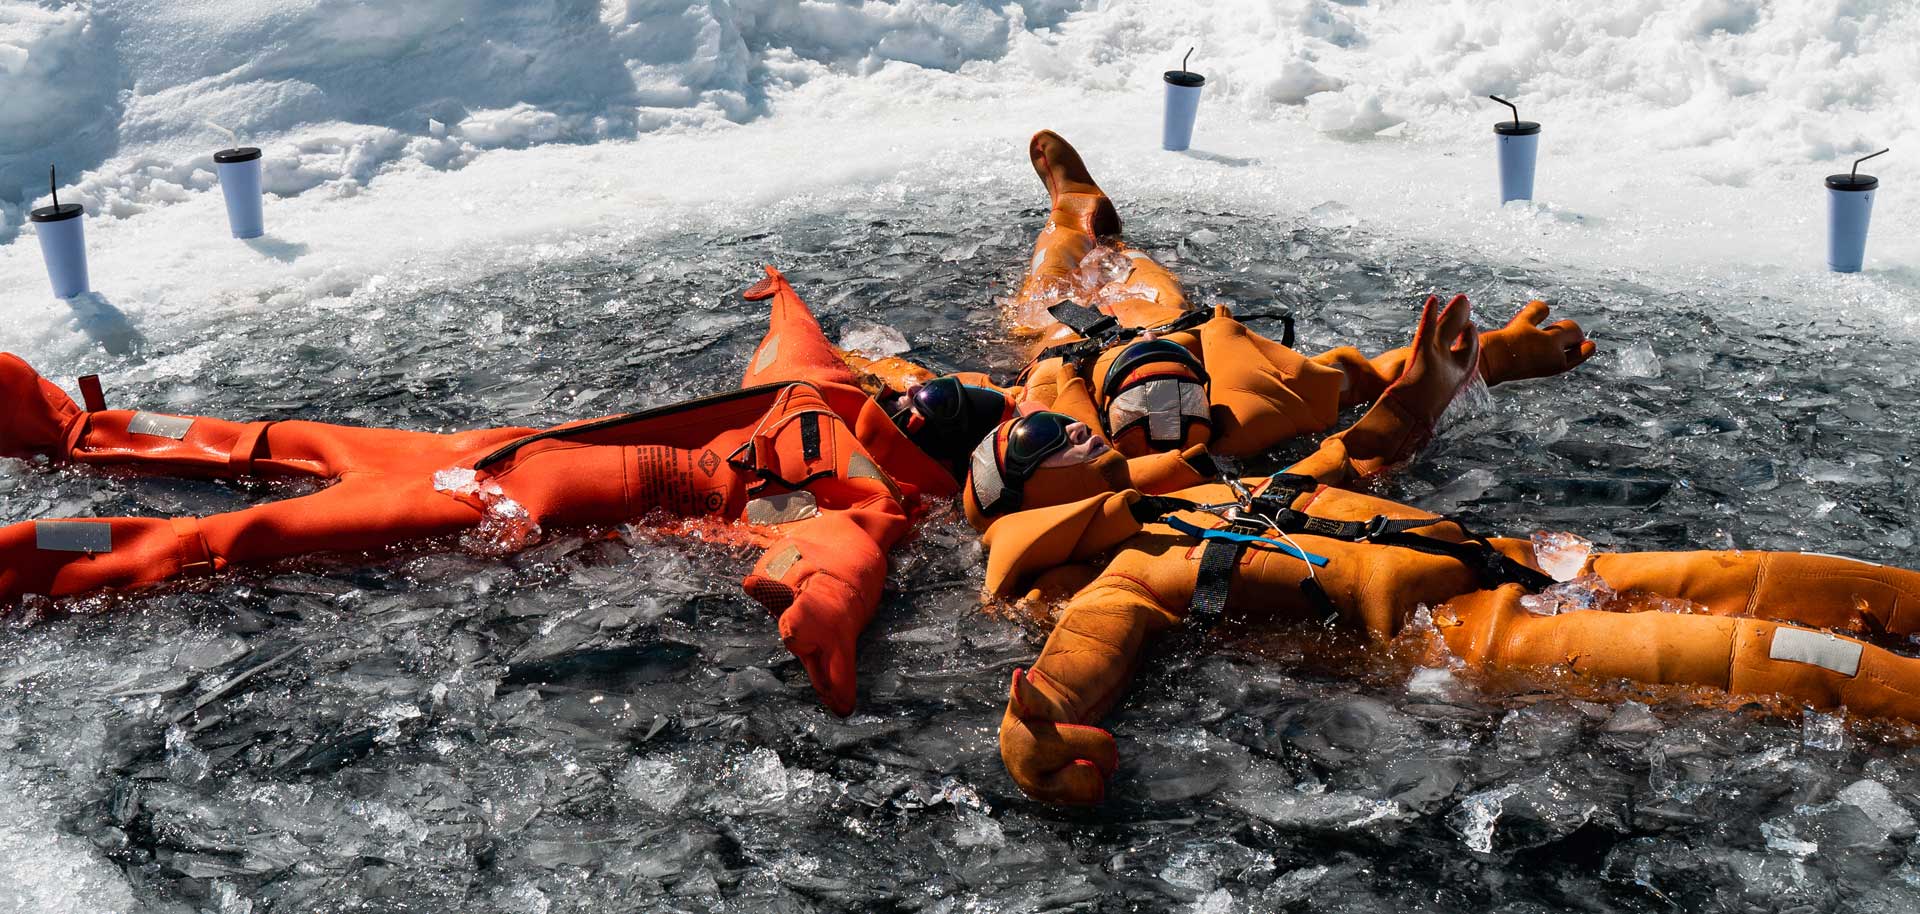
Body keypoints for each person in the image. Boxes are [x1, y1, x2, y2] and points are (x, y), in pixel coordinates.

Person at [965, 297, 1920, 805]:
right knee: (1791, 661)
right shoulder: (1120, 577)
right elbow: (1070, 675)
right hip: (1479, 635)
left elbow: (1354, 454)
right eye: (1037, 445)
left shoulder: (1207, 494)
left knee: (1790, 579)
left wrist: (1434, 381)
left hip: (1538, 567)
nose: (1066, 432)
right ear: (1022, 502)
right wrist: (1036, 738)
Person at [0, 267, 952, 716]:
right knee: (265, 440)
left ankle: (27, 555)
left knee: (228, 539)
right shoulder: (840, 399)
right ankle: (69, 428)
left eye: (936, 404)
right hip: (477, 452)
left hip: (480, 497)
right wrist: (787, 298)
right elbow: (795, 359)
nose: (921, 394)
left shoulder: (873, 487)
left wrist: (819, 603)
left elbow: (845, 546)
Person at [858, 130, 1596, 467]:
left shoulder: (1055, 433)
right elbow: (1374, 380)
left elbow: (942, 399)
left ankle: (1075, 215)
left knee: (1045, 298)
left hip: (1092, 346)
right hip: (1157, 328)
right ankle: (1076, 217)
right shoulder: (1248, 412)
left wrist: (867, 373)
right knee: (1064, 290)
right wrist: (1500, 354)